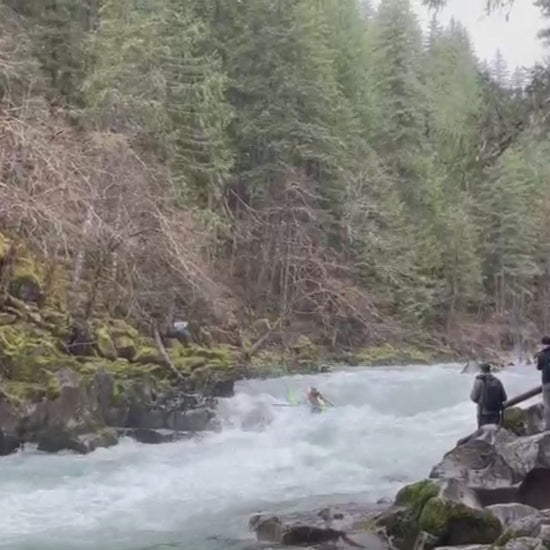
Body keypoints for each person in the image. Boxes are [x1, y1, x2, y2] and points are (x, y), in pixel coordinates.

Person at [470, 363, 507, 428]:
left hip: (483, 413)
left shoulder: (479, 381)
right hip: (496, 412)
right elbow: (504, 398)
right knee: (494, 433)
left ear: (481, 370)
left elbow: (473, 397)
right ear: (489, 370)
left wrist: (482, 401)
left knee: (483, 434)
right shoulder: (497, 381)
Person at [536, 336, 550, 430]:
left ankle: (548, 426)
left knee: (547, 405)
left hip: (546, 382)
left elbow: (539, 368)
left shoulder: (541, 355)